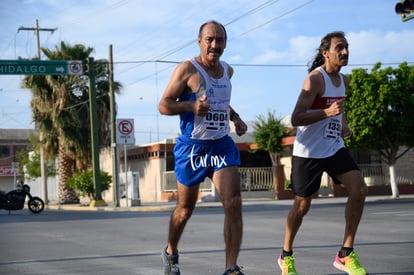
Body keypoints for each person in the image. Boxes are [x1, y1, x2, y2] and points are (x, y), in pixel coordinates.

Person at [158, 20, 248, 275]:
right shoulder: (187, 69)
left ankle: (231, 267)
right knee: (185, 209)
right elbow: (163, 105)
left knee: (233, 202)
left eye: (219, 40)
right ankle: (171, 251)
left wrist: (236, 118)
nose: (214, 44)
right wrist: (190, 106)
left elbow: (222, 103)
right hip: (192, 149)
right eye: (209, 39)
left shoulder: (228, 71)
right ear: (199, 41)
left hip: (220, 145)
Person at [277, 31, 368, 275]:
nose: (345, 52)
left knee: (359, 188)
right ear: (325, 53)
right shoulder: (314, 80)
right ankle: (286, 255)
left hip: (333, 146)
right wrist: (326, 113)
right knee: (302, 205)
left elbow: (339, 108)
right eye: (340, 47)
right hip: (308, 152)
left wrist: (342, 122)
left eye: (347, 47)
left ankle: (346, 254)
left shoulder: (344, 81)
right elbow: (297, 118)